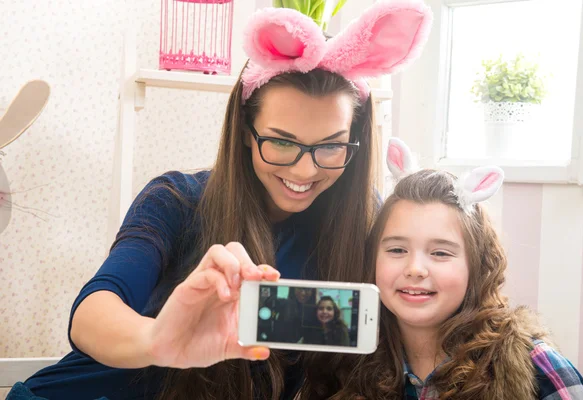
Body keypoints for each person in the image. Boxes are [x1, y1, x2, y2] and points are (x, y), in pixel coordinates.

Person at [7, 2, 433, 400]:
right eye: (281, 143)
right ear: (247, 133)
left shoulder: (365, 221)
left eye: (331, 146)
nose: (305, 171)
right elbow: (93, 312)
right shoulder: (176, 199)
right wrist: (158, 342)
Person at [299, 138, 583, 400]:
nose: (415, 269)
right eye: (397, 250)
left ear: (476, 266)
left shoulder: (537, 366)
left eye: (440, 253)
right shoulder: (341, 362)